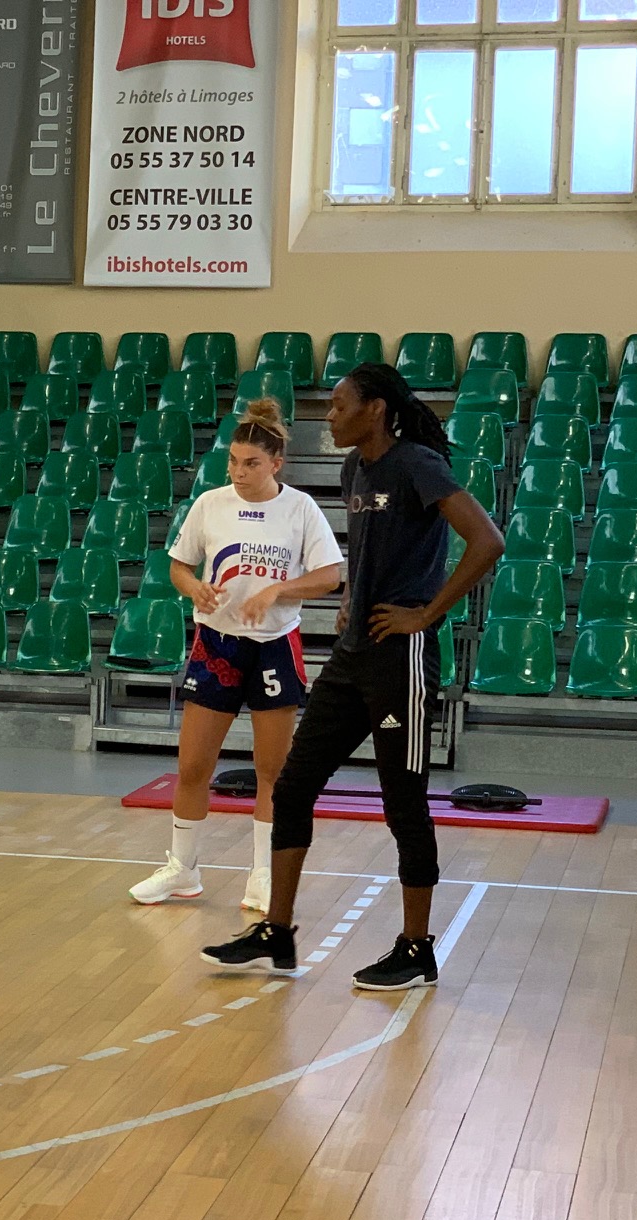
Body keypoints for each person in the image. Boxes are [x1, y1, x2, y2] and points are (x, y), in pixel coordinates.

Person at [203, 363, 504, 988]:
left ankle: (416, 949)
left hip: (402, 656)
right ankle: (277, 933)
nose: (330, 416)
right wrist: (352, 597)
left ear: (376, 410)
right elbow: (370, 550)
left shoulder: (418, 463)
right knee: (293, 786)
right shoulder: (353, 470)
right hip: (353, 653)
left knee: (404, 803)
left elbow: (487, 540)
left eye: (341, 406)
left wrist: (426, 613)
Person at [131, 399, 344, 913]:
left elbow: (330, 575)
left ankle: (262, 876)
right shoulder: (210, 504)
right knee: (192, 766)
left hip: (274, 646)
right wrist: (194, 588)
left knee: (272, 770)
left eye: (251, 463)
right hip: (217, 644)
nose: (238, 471)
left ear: (276, 464)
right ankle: (183, 869)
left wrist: (278, 591)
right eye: (233, 461)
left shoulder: (300, 509)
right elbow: (179, 566)